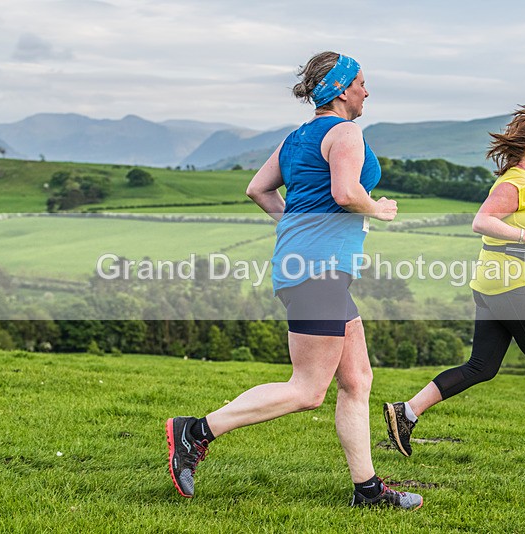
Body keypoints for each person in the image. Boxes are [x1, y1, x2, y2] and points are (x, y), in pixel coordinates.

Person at [166, 51, 423, 509]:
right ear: (343, 90)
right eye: (362, 82)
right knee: (307, 389)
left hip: (311, 268)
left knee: (358, 379)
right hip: (317, 270)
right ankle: (196, 431)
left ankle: (367, 490)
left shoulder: (299, 137)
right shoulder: (345, 132)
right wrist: (377, 209)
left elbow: (257, 189)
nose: (367, 91)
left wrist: (297, 226)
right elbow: (346, 193)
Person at [383, 105, 525, 472]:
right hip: (513, 286)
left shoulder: (523, 184)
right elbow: (481, 221)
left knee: (482, 366)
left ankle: (406, 413)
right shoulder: (514, 182)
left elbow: (517, 213)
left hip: (493, 286)